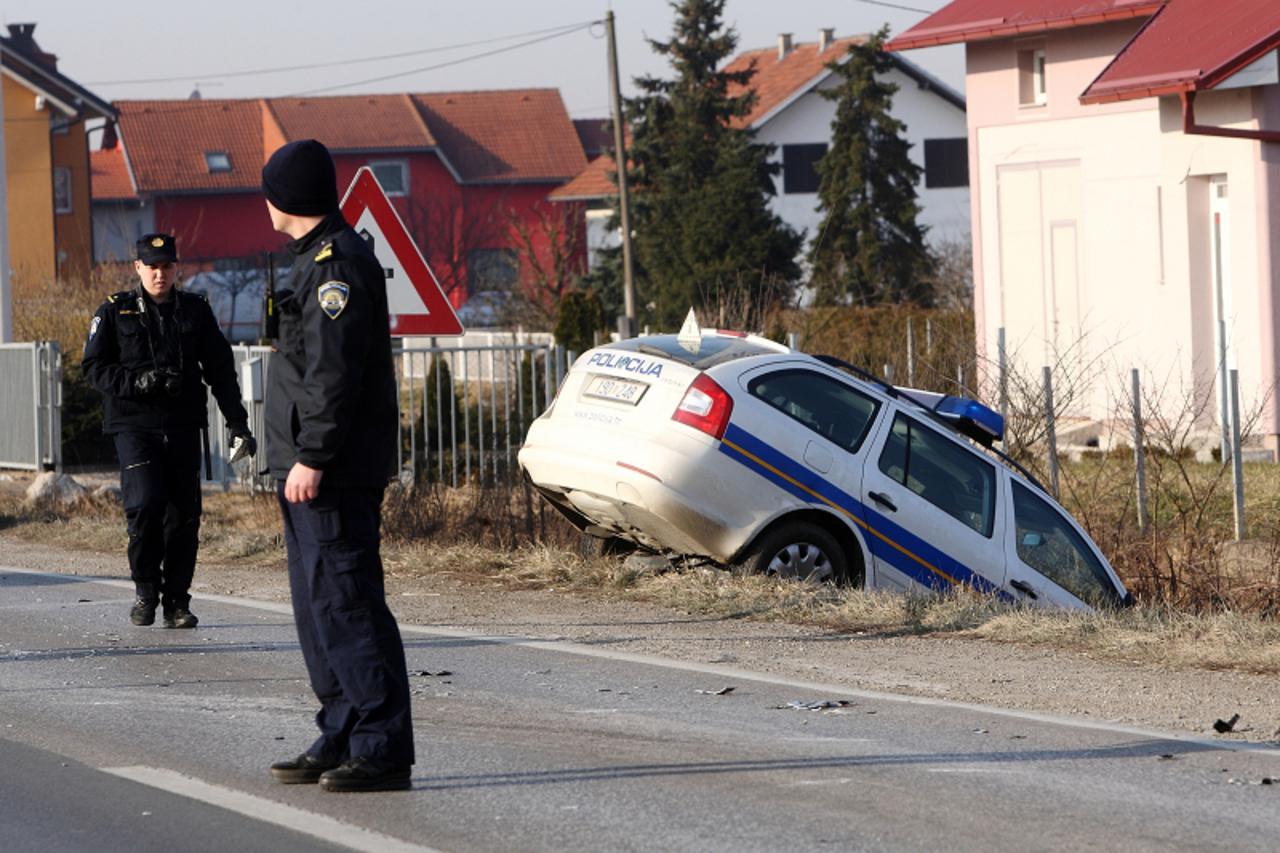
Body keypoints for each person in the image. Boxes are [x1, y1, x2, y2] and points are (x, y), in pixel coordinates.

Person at [260, 139, 414, 793]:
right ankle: (343, 728)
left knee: (347, 603)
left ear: (286, 198)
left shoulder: (335, 267)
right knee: (319, 606)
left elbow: (334, 375)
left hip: (332, 468)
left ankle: (381, 745)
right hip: (306, 467)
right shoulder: (309, 260)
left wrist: (315, 454)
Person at [83, 233, 256, 629]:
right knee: (145, 505)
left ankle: (177, 600)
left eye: (167, 266)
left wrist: (238, 422)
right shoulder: (115, 311)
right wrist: (137, 383)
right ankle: (146, 588)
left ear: (176, 268)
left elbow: (220, 371)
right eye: (152, 267)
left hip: (181, 424)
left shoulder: (194, 311)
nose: (160, 274)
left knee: (184, 516)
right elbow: (93, 367)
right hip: (134, 424)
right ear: (138, 268)